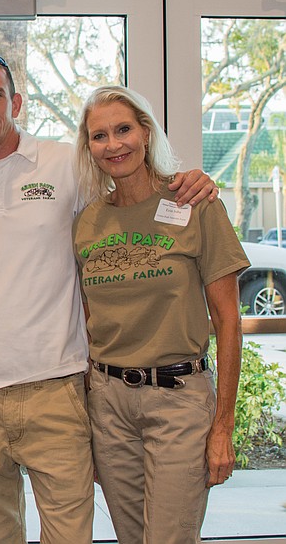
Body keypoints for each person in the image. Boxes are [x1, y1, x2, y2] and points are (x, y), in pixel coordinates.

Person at [0, 53, 219, 543]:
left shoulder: (66, 164)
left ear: (15, 102)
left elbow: (133, 199)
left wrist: (191, 180)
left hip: (57, 386)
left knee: (69, 535)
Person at [73, 85, 248, 543]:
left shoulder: (195, 203)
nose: (114, 144)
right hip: (108, 403)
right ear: (88, 148)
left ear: (146, 134)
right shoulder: (87, 222)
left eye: (124, 129)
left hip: (178, 399)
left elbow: (229, 321)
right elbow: (90, 319)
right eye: (100, 136)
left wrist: (223, 426)